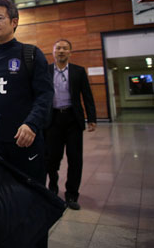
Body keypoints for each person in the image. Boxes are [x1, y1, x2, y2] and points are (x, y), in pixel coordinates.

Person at [0, 0, 53, 247]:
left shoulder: (30, 54)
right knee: (0, 206)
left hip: (25, 146)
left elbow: (44, 95)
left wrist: (31, 124)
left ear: (14, 22)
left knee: (33, 204)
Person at [46, 39, 96, 210]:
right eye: (58, 48)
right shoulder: (45, 71)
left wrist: (92, 118)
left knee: (75, 159)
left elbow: (87, 96)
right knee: (52, 157)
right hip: (52, 120)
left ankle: (72, 195)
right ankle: (52, 187)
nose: (61, 51)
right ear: (53, 52)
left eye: (65, 48)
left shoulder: (78, 71)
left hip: (73, 120)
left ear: (70, 52)